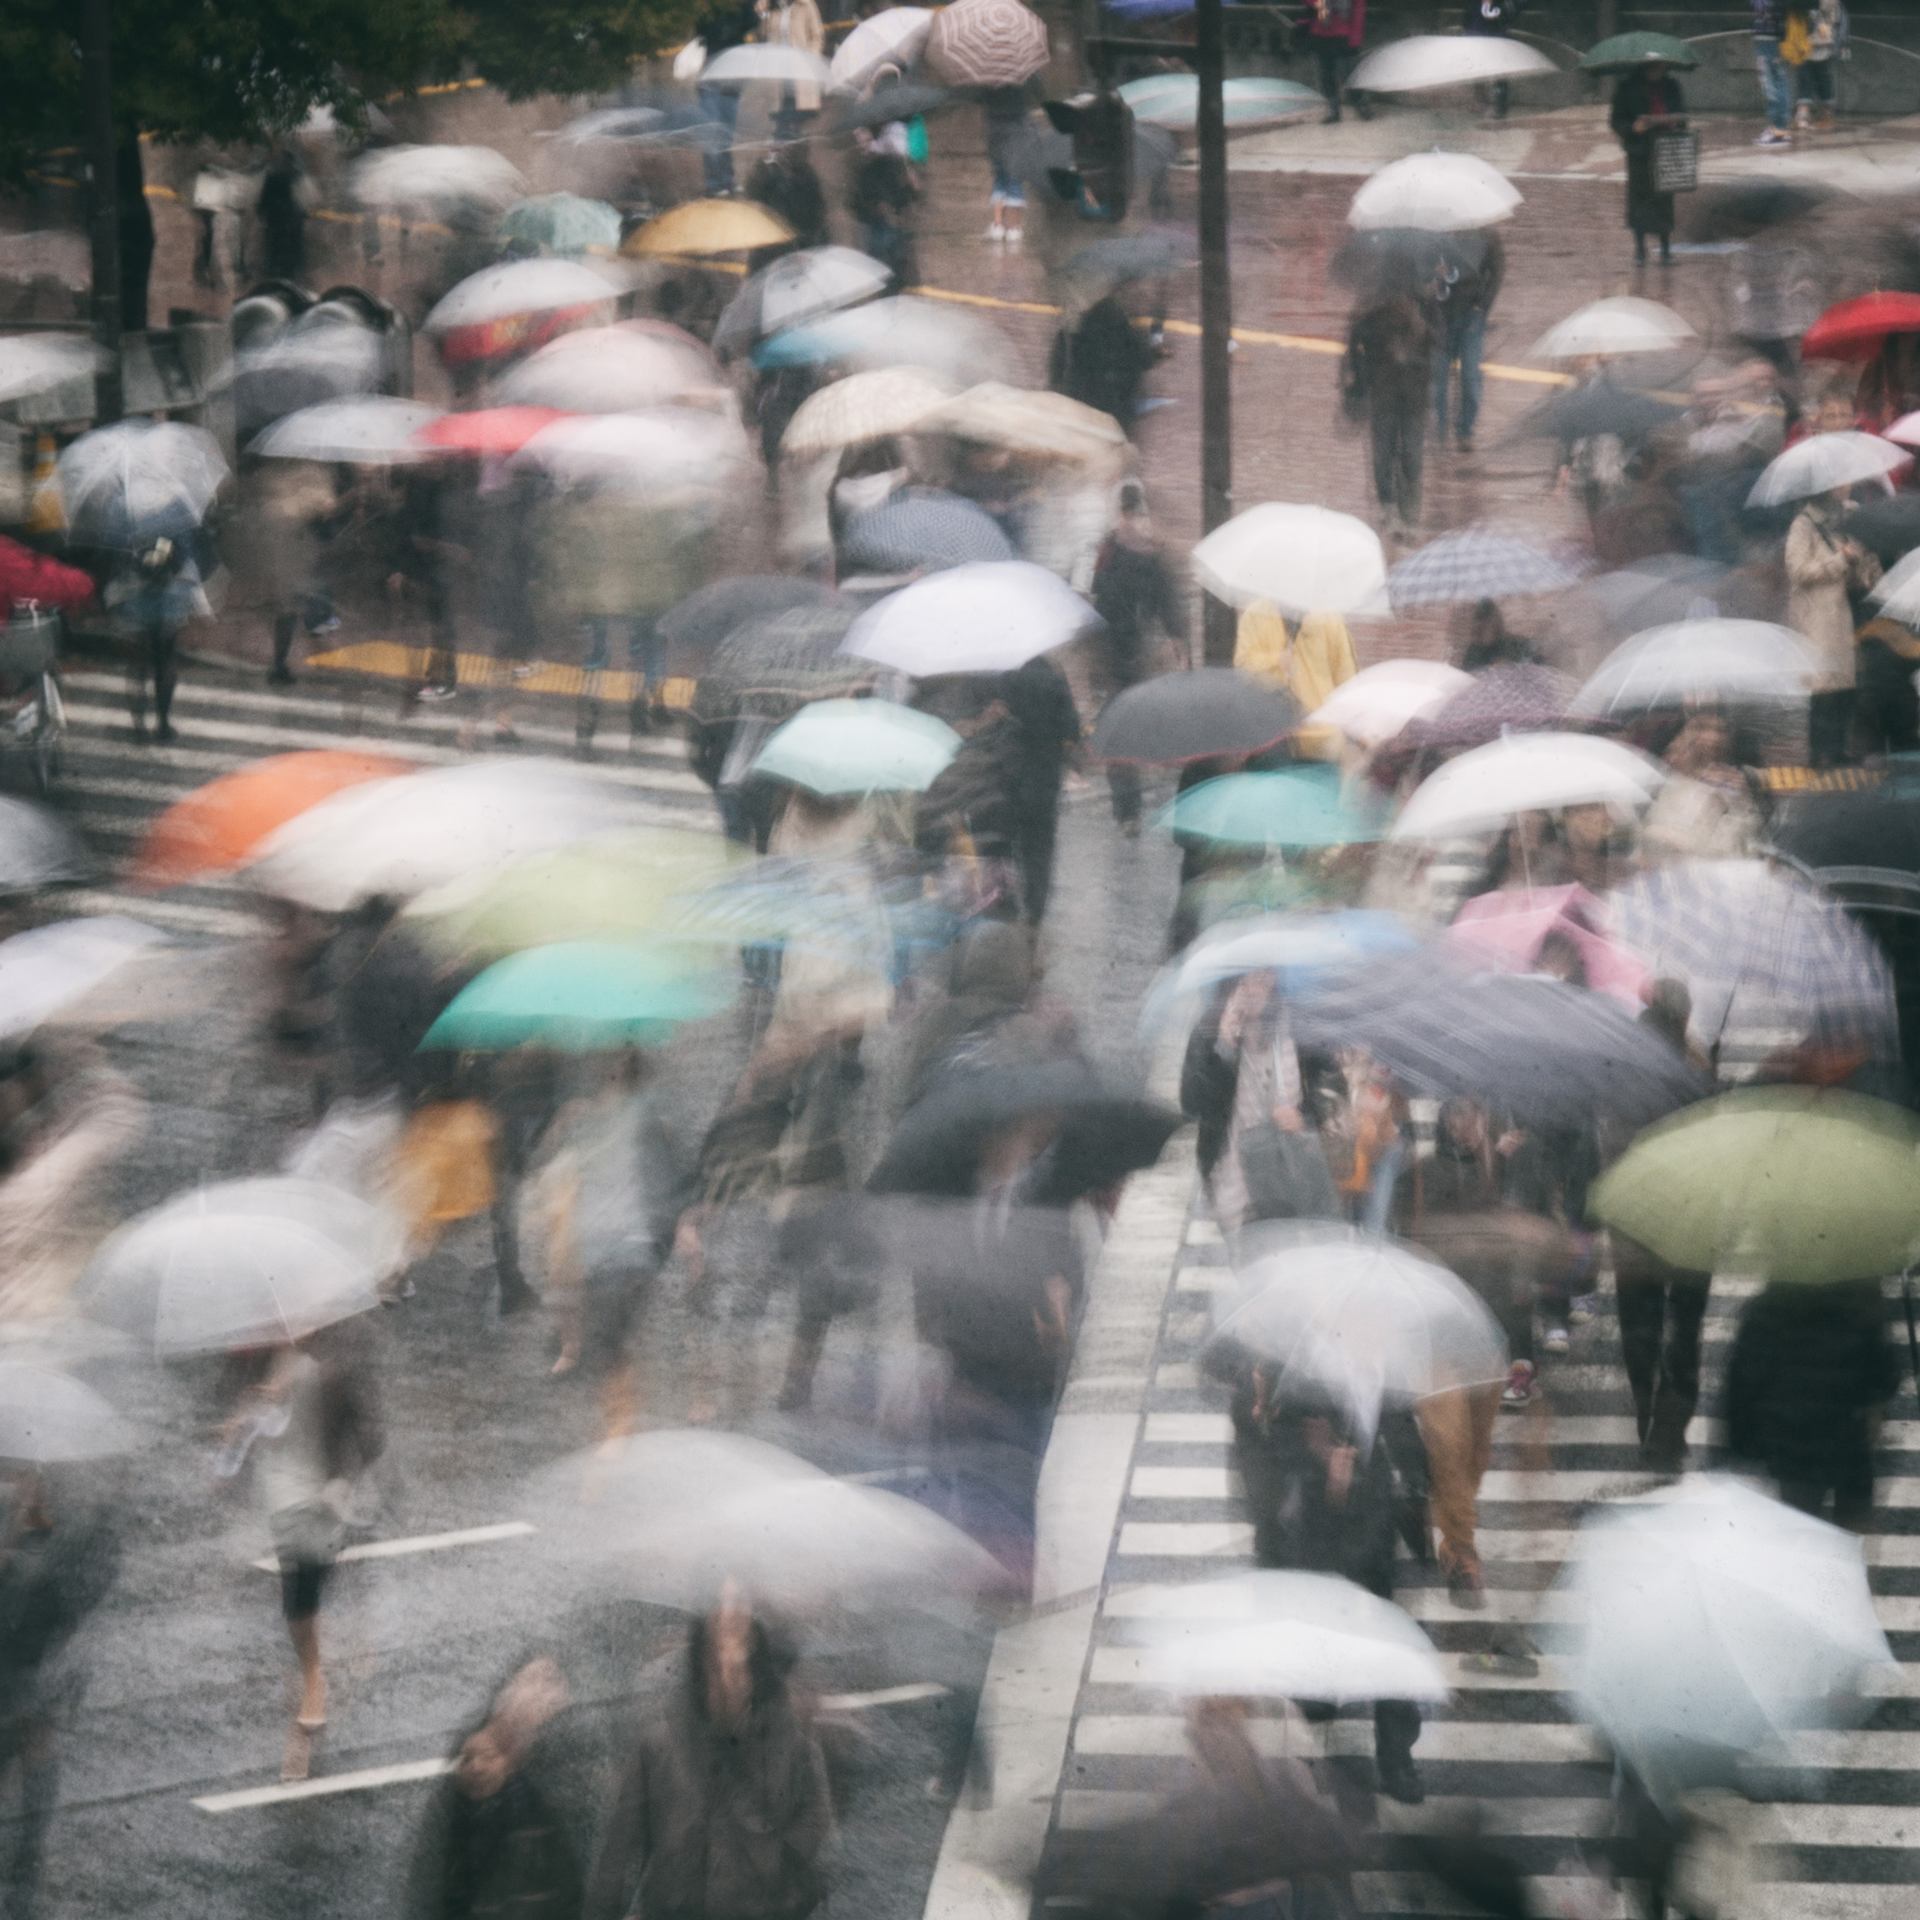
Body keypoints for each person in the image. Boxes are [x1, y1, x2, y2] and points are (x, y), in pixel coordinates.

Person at [584, 1590, 832, 1920]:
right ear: (700, 1667)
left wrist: (769, 1866)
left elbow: (818, 1836)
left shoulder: (791, 1746)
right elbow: (616, 1855)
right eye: (718, 1661)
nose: (729, 1671)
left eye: (739, 1659)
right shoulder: (659, 1746)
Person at [220, 1321, 385, 1781]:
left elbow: (372, 1434)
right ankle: (314, 1675)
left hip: (325, 1489)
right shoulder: (257, 1354)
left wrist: (343, 1480)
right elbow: (245, 1420)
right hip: (283, 1492)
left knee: (312, 1581)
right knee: (299, 1592)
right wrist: (243, 1421)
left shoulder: (340, 1361)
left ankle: (315, 1661)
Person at [403, 1658, 583, 1920]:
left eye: (550, 1686)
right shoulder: (478, 1753)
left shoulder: (561, 1759)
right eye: (531, 1684)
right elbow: (441, 1863)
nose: (539, 1696)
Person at [1724, 1278, 1898, 1530]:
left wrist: (1742, 1437)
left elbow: (1745, 1371)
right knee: (1851, 1533)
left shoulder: (1772, 1304)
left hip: (1793, 1437)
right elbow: (1884, 1372)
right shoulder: (1861, 1298)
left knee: (1801, 1525)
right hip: (1849, 1435)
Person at [1088, 481, 1185, 834]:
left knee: (1130, 730)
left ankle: (1130, 809)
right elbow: (1098, 596)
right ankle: (1127, 811)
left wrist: (1176, 637)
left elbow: (1165, 598)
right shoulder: (1111, 550)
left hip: (1132, 652)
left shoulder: (1140, 551)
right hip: (1115, 654)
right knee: (1120, 730)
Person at [1786, 487, 1880, 766]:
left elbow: (1860, 567)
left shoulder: (1849, 519)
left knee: (1846, 685)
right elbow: (1798, 570)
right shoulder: (1804, 524)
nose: (1848, 485)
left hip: (1848, 612)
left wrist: (1862, 566)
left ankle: (1838, 749)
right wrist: (1840, 559)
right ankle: (1819, 753)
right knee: (1824, 687)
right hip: (1821, 617)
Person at [1612, 1231, 1710, 1476]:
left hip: (1636, 1224)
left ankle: (1649, 1413)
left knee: (1640, 1321)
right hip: (1697, 1222)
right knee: (1684, 1326)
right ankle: (1667, 1431)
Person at [1343, 289, 1437, 535]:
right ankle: (1388, 506)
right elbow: (1357, 342)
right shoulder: (1373, 309)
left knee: (1411, 454)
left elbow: (1439, 343)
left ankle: (1410, 515)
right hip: (1383, 394)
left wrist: (1420, 333)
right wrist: (1361, 379)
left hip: (1414, 396)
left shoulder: (1425, 305)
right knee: (1383, 455)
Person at [109, 531, 206, 743]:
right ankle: (162, 723)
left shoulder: (126, 517)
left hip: (135, 594)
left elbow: (116, 559)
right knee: (166, 661)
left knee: (139, 664)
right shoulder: (176, 519)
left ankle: (139, 726)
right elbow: (186, 559)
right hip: (170, 597)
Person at [1610, 60, 1687, 268]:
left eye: (1660, 68)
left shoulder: (1672, 86)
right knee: (1639, 199)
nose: (1657, 72)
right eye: (1653, 68)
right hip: (1639, 151)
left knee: (1664, 199)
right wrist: (1633, 128)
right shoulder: (1627, 88)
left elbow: (1682, 116)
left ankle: (1665, 249)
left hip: (1666, 149)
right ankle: (1640, 249)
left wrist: (1672, 121)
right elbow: (1616, 121)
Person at [1432, 231, 1503, 451]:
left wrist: (1482, 306)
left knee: (1471, 379)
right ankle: (1440, 435)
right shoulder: (1438, 233)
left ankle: (1464, 431)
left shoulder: (1488, 236)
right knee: (1437, 383)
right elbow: (1423, 268)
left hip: (1471, 319)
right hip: (1442, 317)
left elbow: (1497, 272)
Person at [1049, 293, 1157, 435]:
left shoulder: (1075, 338)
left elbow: (1057, 368)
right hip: (1112, 414)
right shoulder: (1126, 340)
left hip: (1078, 411)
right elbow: (1145, 361)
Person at [693, 0, 760, 195]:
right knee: (712, 128)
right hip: (712, 74)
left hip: (731, 75)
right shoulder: (707, 7)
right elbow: (703, 30)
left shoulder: (740, 6)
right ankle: (715, 182)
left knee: (726, 132)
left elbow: (752, 21)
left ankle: (726, 179)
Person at [981, 84, 1032, 244]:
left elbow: (981, 100)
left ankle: (997, 226)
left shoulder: (989, 78)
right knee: (1015, 178)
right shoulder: (1022, 80)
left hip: (995, 135)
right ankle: (1014, 228)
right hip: (1017, 135)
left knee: (1000, 176)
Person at [1307, 0, 1370, 125]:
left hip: (1344, 34)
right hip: (1321, 33)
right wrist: (1319, 3)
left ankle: (1360, 105)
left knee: (1350, 73)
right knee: (1326, 74)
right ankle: (1333, 110)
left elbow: (1358, 11)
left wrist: (1355, 37)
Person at [257, 148, 310, 283]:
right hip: (289, 220)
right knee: (290, 252)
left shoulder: (274, 176)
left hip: (278, 220)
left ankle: (278, 277)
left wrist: (262, 213)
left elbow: (264, 200)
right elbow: (304, 200)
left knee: (277, 250)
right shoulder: (296, 176)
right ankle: (291, 277)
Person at [1464, 0, 1520, 121]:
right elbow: (1469, 18)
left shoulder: (1502, 5)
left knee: (1499, 74)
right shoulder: (1475, 5)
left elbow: (1506, 18)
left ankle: (1500, 107)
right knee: (1476, 70)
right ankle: (1480, 101)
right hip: (1477, 37)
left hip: (1497, 39)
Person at [1795, 0, 1844, 130]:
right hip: (1811, 43)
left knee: (1818, 78)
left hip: (1818, 43)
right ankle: (1811, 112)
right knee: (1813, 77)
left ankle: (1815, 112)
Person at [1751, 0, 1793, 149]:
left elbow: (1761, 8)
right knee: (1778, 83)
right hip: (1773, 39)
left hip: (1768, 40)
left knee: (1771, 86)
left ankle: (1778, 129)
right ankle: (1779, 128)